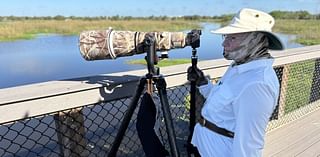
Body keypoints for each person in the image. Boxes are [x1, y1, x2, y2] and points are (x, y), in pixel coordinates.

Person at [188, 8, 284, 157]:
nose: (224, 44)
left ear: (255, 40)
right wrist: (203, 83)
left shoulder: (257, 84)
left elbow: (249, 145)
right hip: (202, 146)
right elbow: (223, 103)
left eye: (233, 38)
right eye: (226, 37)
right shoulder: (239, 66)